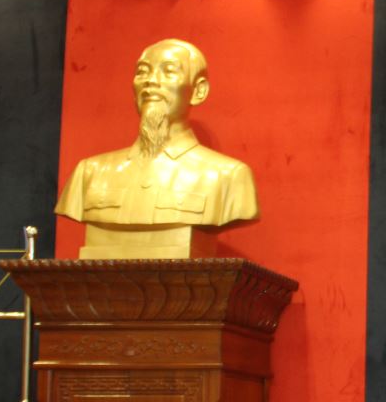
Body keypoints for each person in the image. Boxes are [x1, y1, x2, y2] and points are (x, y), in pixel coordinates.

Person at [55, 38, 258, 258]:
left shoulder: (227, 176)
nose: (151, 81)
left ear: (198, 91)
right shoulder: (90, 172)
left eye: (168, 72)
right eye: (142, 72)